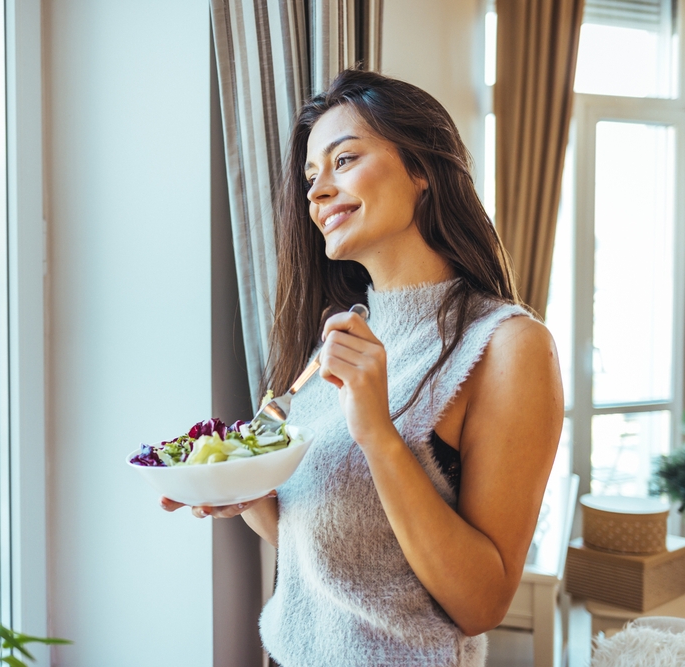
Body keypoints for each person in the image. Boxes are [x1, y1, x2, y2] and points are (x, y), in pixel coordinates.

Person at [161, 68, 563, 666]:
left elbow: (481, 603)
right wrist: (239, 488)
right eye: (311, 176)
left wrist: (378, 433)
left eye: (343, 160)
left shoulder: (507, 347)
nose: (318, 191)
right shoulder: (336, 339)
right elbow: (327, 553)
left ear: (423, 169)